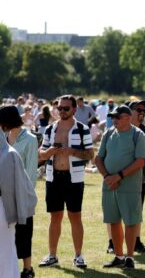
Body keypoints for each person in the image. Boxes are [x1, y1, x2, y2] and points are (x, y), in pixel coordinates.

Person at [38, 95, 94, 269]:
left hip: (74, 178)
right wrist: (49, 153)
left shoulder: (82, 129)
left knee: (75, 217)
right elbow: (41, 153)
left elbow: (90, 155)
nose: (61, 111)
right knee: (55, 217)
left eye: (66, 108)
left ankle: (78, 256)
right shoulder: (50, 129)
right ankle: (52, 256)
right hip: (53, 177)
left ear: (74, 109)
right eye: (59, 108)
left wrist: (71, 151)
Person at [95, 105, 145, 270]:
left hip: (129, 187)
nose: (114, 120)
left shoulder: (138, 135)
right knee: (113, 221)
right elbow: (99, 159)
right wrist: (107, 177)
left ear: (128, 117)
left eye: (117, 117)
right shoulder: (109, 133)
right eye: (113, 117)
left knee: (131, 222)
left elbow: (141, 161)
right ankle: (119, 256)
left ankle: (130, 257)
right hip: (109, 186)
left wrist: (118, 176)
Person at [0, 105, 39, 278]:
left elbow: (29, 171)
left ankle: (27, 268)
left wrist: (22, 198)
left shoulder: (29, 140)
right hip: (7, 195)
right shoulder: (6, 139)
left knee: (22, 235)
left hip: (21, 193)